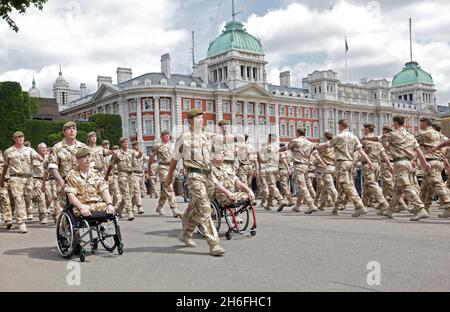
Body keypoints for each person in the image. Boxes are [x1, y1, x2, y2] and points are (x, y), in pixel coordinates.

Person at [165, 109, 233, 257]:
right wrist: (169, 176)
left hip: (209, 175)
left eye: (202, 118)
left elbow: (222, 143)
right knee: (204, 206)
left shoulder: (208, 136)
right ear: (190, 120)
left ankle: (186, 233)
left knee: (196, 207)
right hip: (194, 175)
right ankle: (213, 244)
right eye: (198, 118)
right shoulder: (184, 138)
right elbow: (175, 159)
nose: (202, 120)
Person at [366, 116, 431, 221]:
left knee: (405, 186)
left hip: (400, 162)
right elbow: (418, 150)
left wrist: (365, 138)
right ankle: (390, 210)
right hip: (408, 162)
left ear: (395, 123)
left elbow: (377, 138)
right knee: (397, 188)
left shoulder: (393, 134)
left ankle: (420, 208)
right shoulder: (410, 136)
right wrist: (424, 163)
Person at [318, 119, 374, 217]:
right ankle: (337, 207)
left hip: (342, 163)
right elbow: (361, 151)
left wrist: (315, 147)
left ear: (341, 125)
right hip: (350, 163)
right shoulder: (354, 137)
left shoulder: (339, 136)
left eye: (339, 125)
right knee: (342, 185)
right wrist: (369, 161)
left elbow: (327, 145)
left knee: (346, 185)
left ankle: (360, 206)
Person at [0, 131, 43, 233]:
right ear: (14, 139)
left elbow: (37, 156)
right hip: (15, 178)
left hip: (28, 179)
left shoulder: (29, 150)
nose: (20, 139)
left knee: (28, 198)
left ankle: (18, 215)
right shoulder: (9, 151)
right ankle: (21, 222)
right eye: (18, 137)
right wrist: (2, 179)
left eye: (22, 137)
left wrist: (39, 157)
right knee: (18, 198)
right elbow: (5, 166)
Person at [48, 122, 88, 218]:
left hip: (80, 182)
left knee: (78, 210)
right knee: (62, 213)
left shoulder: (83, 147)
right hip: (64, 182)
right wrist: (61, 181)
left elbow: (89, 165)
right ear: (64, 132)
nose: (72, 130)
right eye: (69, 129)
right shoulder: (57, 147)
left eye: (74, 128)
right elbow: (53, 167)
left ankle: (75, 231)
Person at [65, 147, 115, 218]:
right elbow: (71, 196)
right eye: (84, 157)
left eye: (89, 157)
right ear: (77, 160)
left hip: (98, 205)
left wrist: (109, 204)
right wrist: (81, 207)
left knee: (110, 210)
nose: (88, 159)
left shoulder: (96, 174)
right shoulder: (72, 176)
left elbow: (104, 190)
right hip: (82, 206)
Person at [280, 128, 317, 214]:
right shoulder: (310, 143)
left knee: (301, 186)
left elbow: (285, 148)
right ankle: (298, 205)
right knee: (302, 185)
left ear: (297, 133)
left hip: (299, 165)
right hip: (306, 166)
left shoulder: (295, 141)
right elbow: (315, 153)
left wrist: (276, 150)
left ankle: (311, 205)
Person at [105, 137, 143, 221]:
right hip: (122, 174)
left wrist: (140, 154)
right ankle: (129, 211)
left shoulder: (131, 152)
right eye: (124, 142)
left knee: (130, 194)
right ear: (121, 143)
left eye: (126, 142)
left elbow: (137, 156)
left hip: (131, 175)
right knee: (126, 193)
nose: (126, 143)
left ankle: (119, 209)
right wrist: (107, 175)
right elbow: (111, 165)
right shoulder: (117, 153)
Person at [148, 130, 182, 218]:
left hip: (172, 168)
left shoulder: (172, 145)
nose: (166, 136)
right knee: (169, 188)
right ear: (161, 136)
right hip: (162, 167)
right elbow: (151, 158)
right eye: (164, 135)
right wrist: (149, 169)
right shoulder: (158, 146)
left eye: (167, 135)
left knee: (165, 189)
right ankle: (175, 209)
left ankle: (159, 206)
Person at [360, 123, 391, 215]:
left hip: (368, 164)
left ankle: (383, 203)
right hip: (377, 165)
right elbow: (383, 154)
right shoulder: (378, 141)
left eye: (364, 129)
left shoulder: (364, 140)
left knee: (372, 184)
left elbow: (360, 152)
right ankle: (362, 205)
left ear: (367, 129)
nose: (363, 130)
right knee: (366, 185)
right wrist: (389, 164)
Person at [258, 134, 288, 211]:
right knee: (272, 185)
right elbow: (281, 159)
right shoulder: (277, 148)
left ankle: (280, 199)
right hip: (275, 169)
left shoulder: (264, 148)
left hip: (267, 169)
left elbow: (261, 159)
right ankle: (269, 204)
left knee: (271, 186)